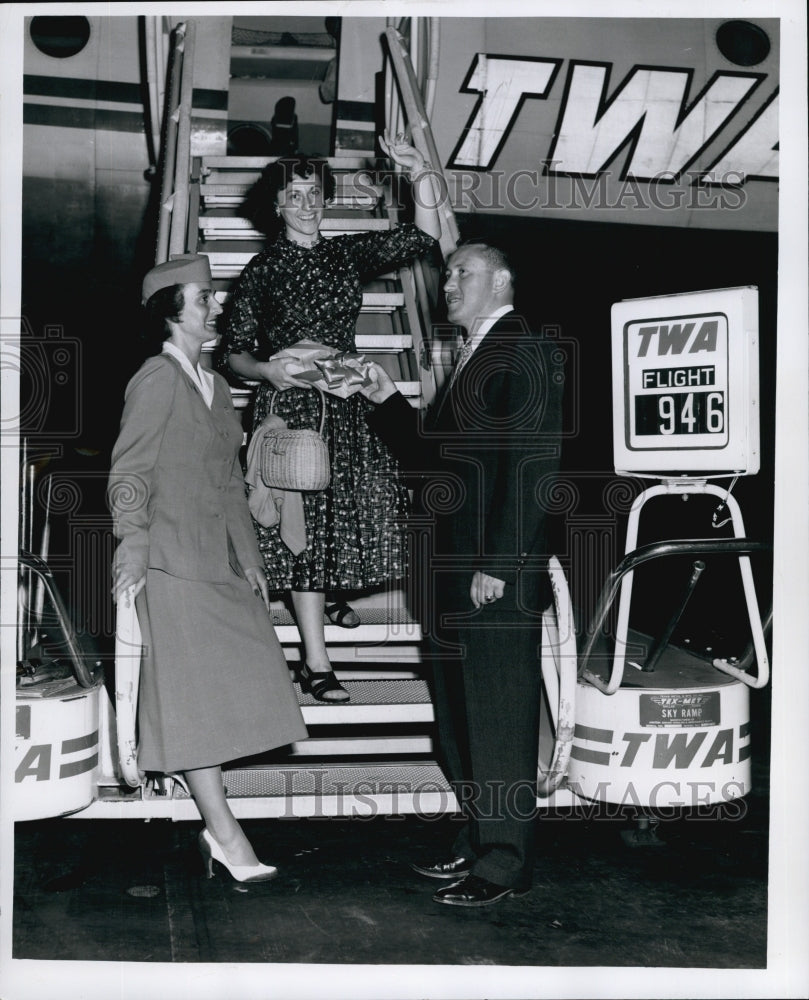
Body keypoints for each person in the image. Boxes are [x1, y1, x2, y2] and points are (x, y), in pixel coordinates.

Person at [359, 239, 565, 907]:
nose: (447, 282)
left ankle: (505, 861)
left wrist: (498, 565)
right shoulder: (473, 353)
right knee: (458, 718)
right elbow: (435, 461)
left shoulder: (522, 348)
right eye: (447, 272)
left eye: (462, 272)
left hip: (491, 574)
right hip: (455, 571)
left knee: (497, 715)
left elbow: (535, 466)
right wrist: (386, 396)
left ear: (500, 283)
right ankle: (480, 838)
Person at [216, 130, 441, 703]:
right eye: (294, 195)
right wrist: (267, 372)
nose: (307, 203)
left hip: (345, 402)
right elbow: (233, 352)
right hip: (292, 409)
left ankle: (326, 596)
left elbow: (426, 235)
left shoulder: (345, 253)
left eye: (313, 192)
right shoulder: (262, 271)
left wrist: (419, 174)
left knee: (355, 513)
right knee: (305, 530)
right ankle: (316, 664)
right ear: (276, 205)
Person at [108, 254, 308, 883]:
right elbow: (129, 474)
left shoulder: (216, 385)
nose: (215, 306)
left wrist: (249, 558)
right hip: (167, 564)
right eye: (204, 298)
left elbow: (226, 483)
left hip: (216, 563)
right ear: (172, 310)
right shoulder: (156, 379)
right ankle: (226, 835)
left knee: (239, 684)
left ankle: (219, 829)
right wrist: (131, 554)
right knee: (193, 706)